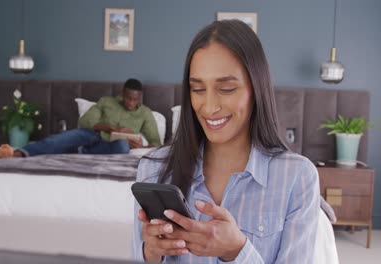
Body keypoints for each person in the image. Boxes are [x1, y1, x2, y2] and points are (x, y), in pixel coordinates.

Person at [132, 20, 320, 263]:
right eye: (198, 89)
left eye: (227, 88)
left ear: (256, 88)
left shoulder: (297, 176)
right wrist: (151, 253)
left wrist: (238, 252)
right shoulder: (153, 168)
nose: (210, 107)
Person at [0, 78, 161, 159]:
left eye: (135, 99)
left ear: (140, 97)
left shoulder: (145, 113)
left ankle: (79, 151)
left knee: (123, 146)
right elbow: (86, 122)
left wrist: (141, 145)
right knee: (58, 140)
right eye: (128, 98)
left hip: (113, 145)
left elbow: (156, 143)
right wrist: (112, 129)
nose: (131, 103)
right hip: (91, 135)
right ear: (122, 94)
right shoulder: (106, 102)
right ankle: (16, 153)